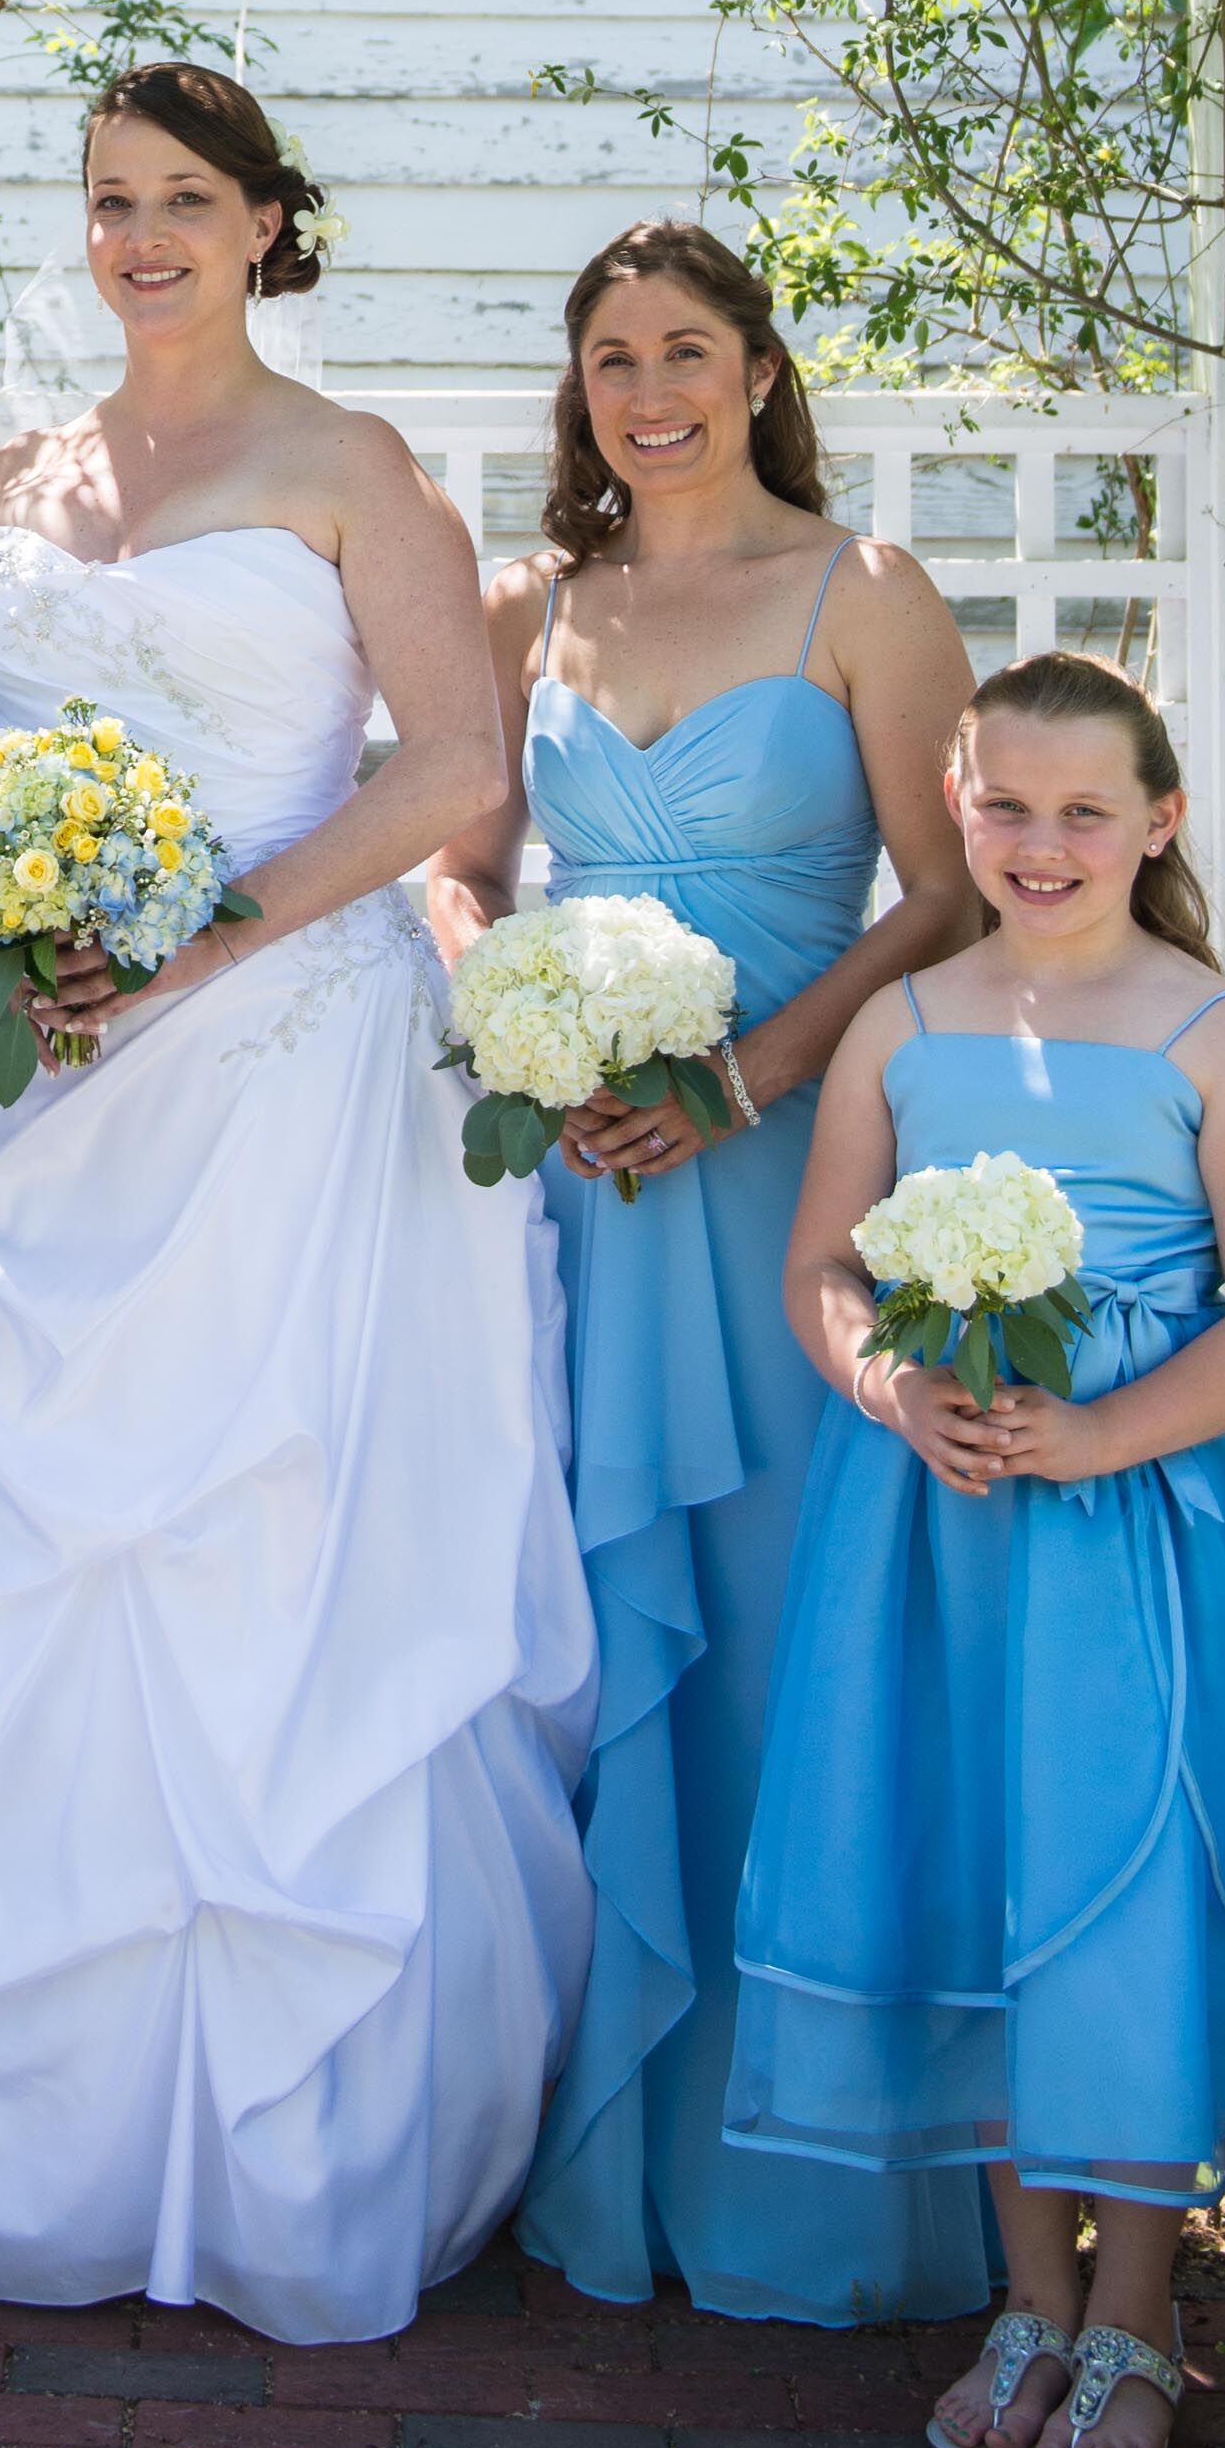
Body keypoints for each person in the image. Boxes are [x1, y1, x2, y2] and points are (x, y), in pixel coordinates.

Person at [0, 62, 594, 2350]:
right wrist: (8, 895)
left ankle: (303, 2158)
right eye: (108, 200)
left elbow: (459, 770)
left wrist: (199, 930)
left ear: (272, 222)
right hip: (42, 1091)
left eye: (186, 197)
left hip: (281, 1080)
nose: (142, 234)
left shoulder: (354, 468)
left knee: (276, 1589)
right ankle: (34, 2147)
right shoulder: (22, 480)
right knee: (14, 1593)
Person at [733, 650, 1225, 2448]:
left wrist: (1106, 1437)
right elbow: (823, 1267)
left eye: (1080, 811)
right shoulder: (906, 1026)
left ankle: (1143, 2306)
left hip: (1147, 1523)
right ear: (957, 809)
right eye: (1003, 806)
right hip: (945, 1522)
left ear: (1158, 822)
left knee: (1122, 1881)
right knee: (984, 1861)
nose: (1038, 844)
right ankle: (1025, 2297)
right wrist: (894, 1384)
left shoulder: (1210, 1035)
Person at [428, 222, 996, 2331]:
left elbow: (942, 899)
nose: (645, 389)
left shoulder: (867, 596)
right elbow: (460, 855)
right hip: (572, 1179)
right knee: (578, 1633)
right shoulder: (530, 604)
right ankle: (600, 2156)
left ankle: (803, 2173)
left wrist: (749, 1079)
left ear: (759, 369)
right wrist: (501, 1003)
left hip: (789, 1176)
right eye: (607, 357)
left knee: (777, 1625)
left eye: (685, 349)